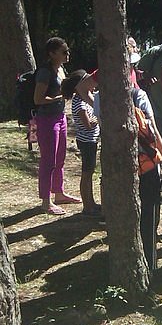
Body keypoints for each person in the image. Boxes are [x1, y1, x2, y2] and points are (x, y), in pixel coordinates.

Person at [93, 87, 162, 274]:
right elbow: (152, 130)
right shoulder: (139, 95)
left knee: (123, 213)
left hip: (118, 166)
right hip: (146, 166)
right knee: (149, 215)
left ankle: (124, 262)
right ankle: (150, 263)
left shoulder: (100, 96)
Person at [33, 37, 81, 215]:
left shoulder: (61, 69)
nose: (67, 54)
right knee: (48, 160)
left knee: (60, 158)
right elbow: (38, 99)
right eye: (63, 51)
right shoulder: (45, 73)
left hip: (60, 117)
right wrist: (60, 97)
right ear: (52, 54)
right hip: (47, 120)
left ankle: (59, 193)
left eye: (67, 50)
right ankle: (46, 202)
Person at [61, 70, 102, 217]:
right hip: (87, 142)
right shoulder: (79, 104)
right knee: (86, 174)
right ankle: (87, 206)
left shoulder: (85, 98)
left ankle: (91, 203)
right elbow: (88, 124)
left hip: (90, 141)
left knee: (89, 173)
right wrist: (99, 117)